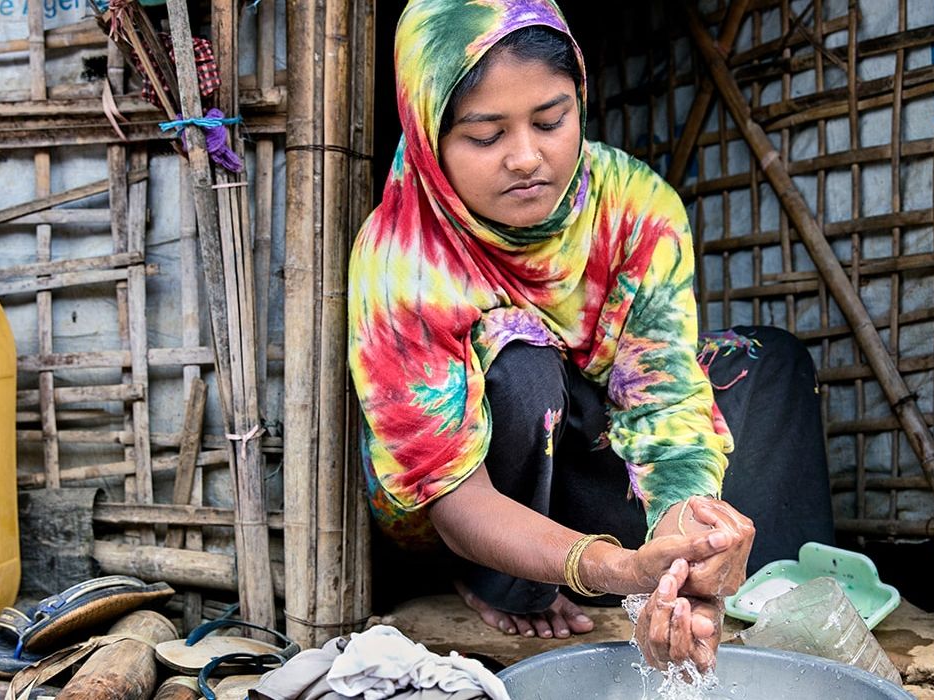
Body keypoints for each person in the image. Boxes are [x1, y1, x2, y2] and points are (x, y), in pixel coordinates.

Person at [348, 0, 834, 672]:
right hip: (480, 504)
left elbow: (663, 399)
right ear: (430, 134)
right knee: (522, 367)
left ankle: (732, 591)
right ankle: (513, 581)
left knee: (768, 360)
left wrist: (684, 541)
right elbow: (454, 498)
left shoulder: (633, 204)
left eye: (552, 120)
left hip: (594, 449)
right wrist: (611, 569)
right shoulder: (402, 259)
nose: (526, 157)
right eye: (486, 136)